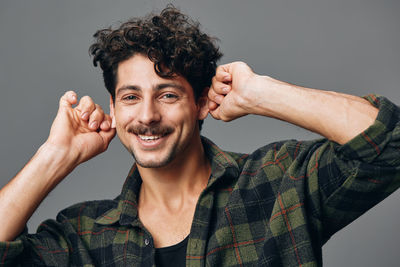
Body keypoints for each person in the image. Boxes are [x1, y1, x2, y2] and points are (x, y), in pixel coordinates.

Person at [0, 5, 399, 267]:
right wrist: (55, 155)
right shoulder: (85, 234)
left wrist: (262, 93)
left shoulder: (279, 184)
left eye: (168, 94)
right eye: (130, 97)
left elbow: (390, 146)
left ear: (201, 102)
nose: (147, 116)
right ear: (115, 106)